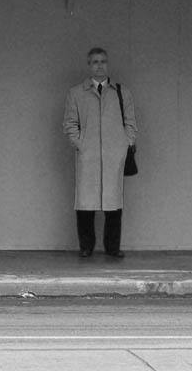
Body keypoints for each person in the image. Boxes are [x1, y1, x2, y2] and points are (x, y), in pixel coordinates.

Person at [63, 47, 137, 259]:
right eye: (95, 62)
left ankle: (112, 247)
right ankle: (86, 246)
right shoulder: (76, 93)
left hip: (114, 156)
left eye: (103, 61)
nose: (99, 65)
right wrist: (80, 144)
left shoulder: (122, 92)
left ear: (108, 64)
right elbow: (70, 123)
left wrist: (125, 144)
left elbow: (131, 123)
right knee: (85, 204)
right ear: (89, 65)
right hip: (88, 156)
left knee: (114, 204)